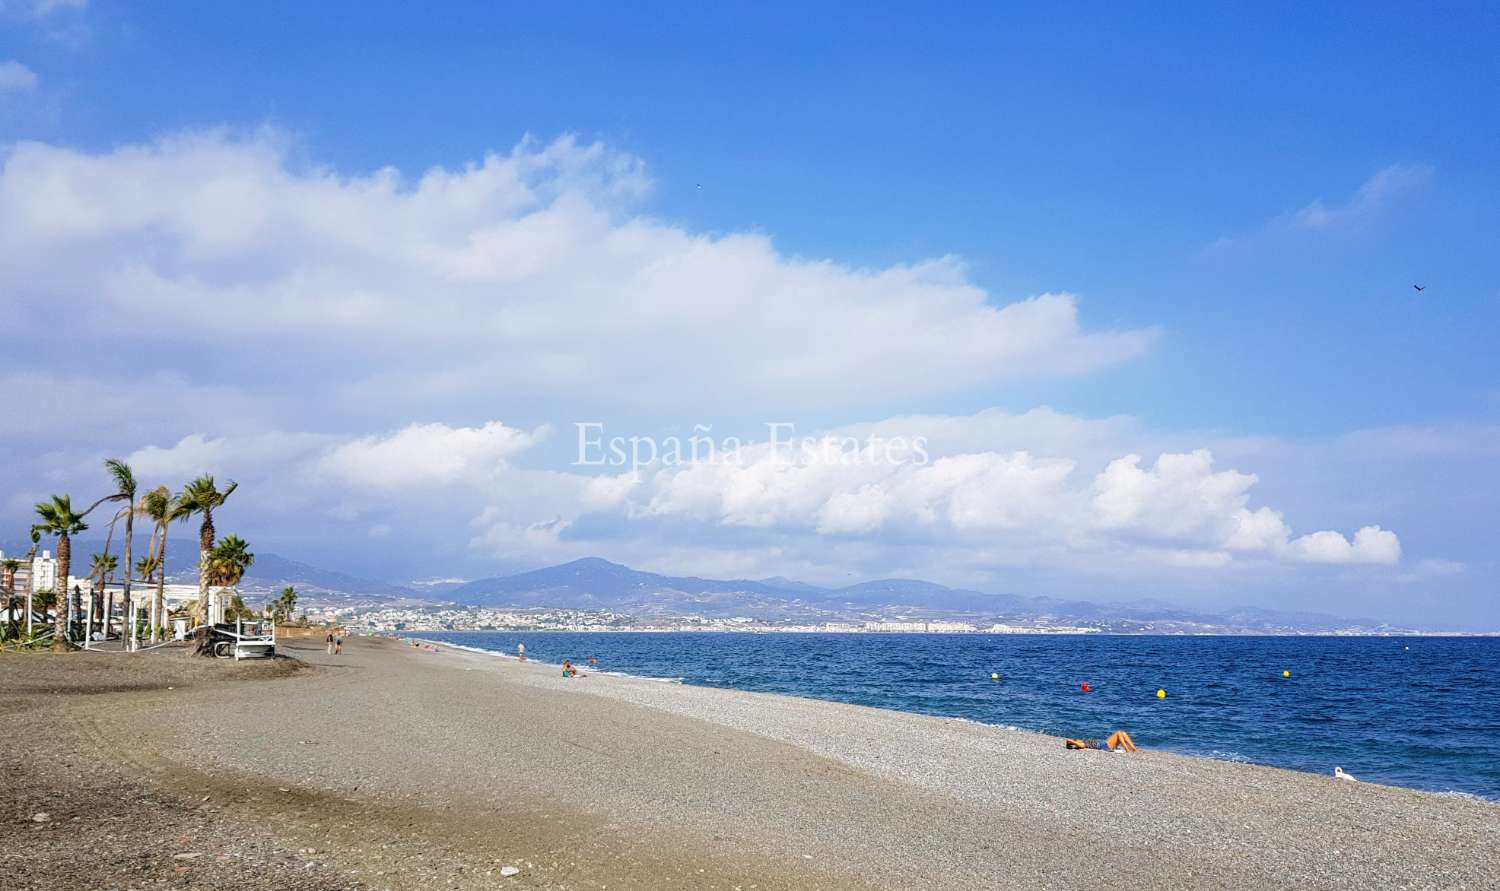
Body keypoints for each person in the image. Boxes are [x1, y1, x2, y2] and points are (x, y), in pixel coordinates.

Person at [1065, 730, 1139, 752]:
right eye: (1076, 740)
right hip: (1104, 745)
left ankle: (1133, 748)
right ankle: (1127, 749)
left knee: (1122, 733)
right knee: (1119, 733)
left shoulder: (1084, 741)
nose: (1077, 739)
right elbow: (1082, 746)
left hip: (1104, 744)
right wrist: (1072, 742)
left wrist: (1072, 742)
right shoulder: (1083, 743)